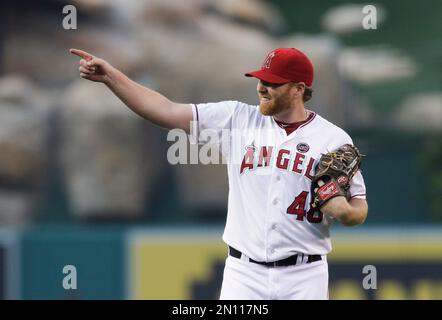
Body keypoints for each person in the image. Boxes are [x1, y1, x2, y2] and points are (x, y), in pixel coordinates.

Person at [70, 47, 368, 300]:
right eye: (261, 79)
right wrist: (111, 76)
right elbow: (165, 111)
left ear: (298, 90)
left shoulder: (332, 139)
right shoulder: (237, 119)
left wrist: (342, 209)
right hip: (244, 273)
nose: (262, 87)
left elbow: (358, 209)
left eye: (272, 82)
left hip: (305, 276)